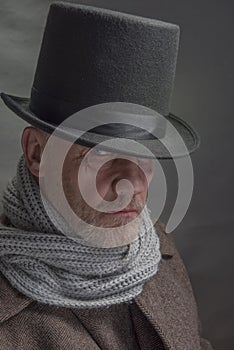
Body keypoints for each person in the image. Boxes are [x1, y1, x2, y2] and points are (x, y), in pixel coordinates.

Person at [0, 2, 214, 349]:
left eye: (145, 156)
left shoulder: (156, 247)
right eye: (101, 153)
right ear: (37, 153)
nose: (131, 186)